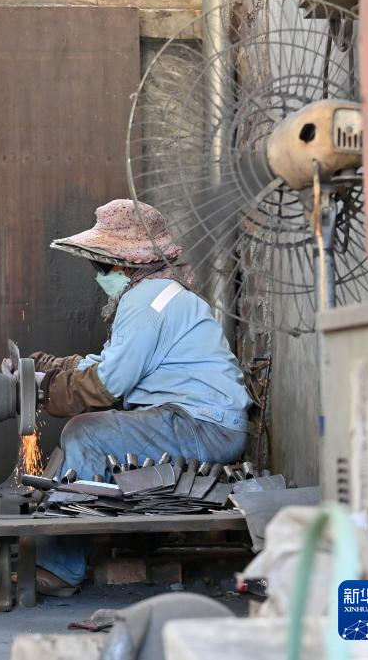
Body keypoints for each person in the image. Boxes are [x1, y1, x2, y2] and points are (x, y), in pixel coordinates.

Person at [17, 198, 251, 594]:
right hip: (197, 421)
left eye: (102, 266)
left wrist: (45, 387)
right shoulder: (161, 294)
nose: (99, 276)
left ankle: (59, 568)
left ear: (126, 263)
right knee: (91, 437)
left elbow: (109, 383)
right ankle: (73, 545)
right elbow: (111, 360)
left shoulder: (146, 301)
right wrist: (53, 368)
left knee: (85, 433)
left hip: (203, 427)